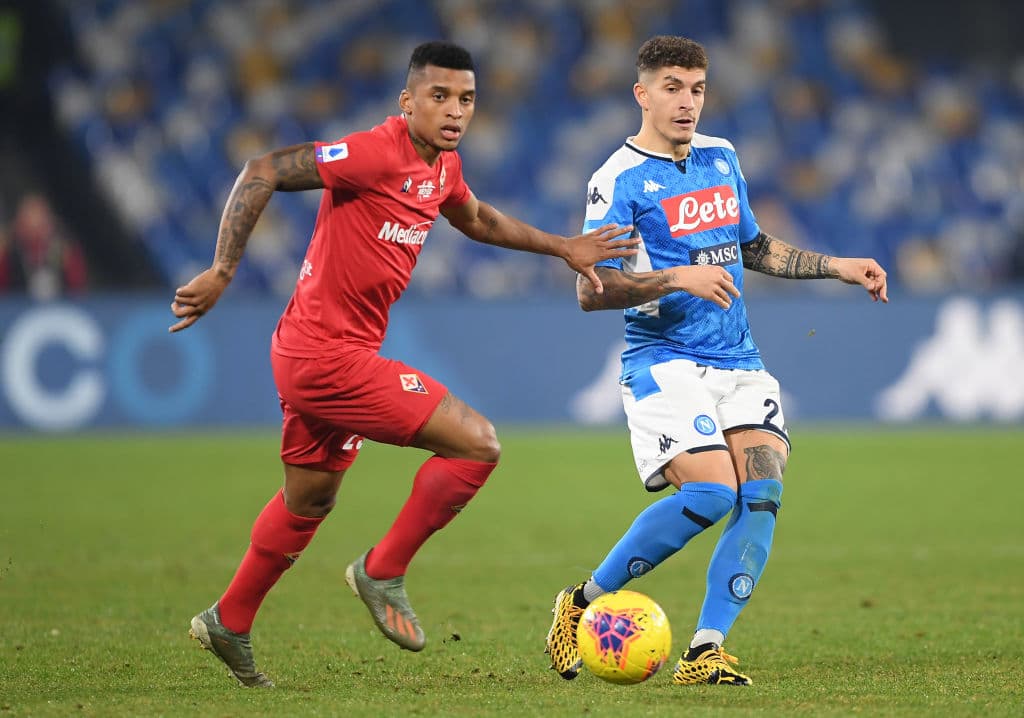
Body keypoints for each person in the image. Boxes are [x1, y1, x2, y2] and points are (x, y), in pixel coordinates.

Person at [170, 40, 637, 688]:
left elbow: (475, 217)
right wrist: (223, 270)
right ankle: (382, 570)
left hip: (319, 353)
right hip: (322, 357)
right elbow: (264, 168)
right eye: (439, 96)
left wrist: (563, 246)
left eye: (466, 99)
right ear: (407, 100)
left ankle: (229, 619)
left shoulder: (442, 165)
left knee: (309, 499)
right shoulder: (372, 152)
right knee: (477, 443)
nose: (454, 111)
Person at [544, 35, 887, 686]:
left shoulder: (721, 158)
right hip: (665, 359)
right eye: (672, 87)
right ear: (642, 93)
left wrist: (836, 265)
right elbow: (593, 290)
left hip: (739, 362)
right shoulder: (616, 179)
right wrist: (676, 279)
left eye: (697, 88)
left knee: (761, 496)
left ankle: (705, 649)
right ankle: (581, 602)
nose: (687, 102)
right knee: (710, 492)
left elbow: (752, 246)